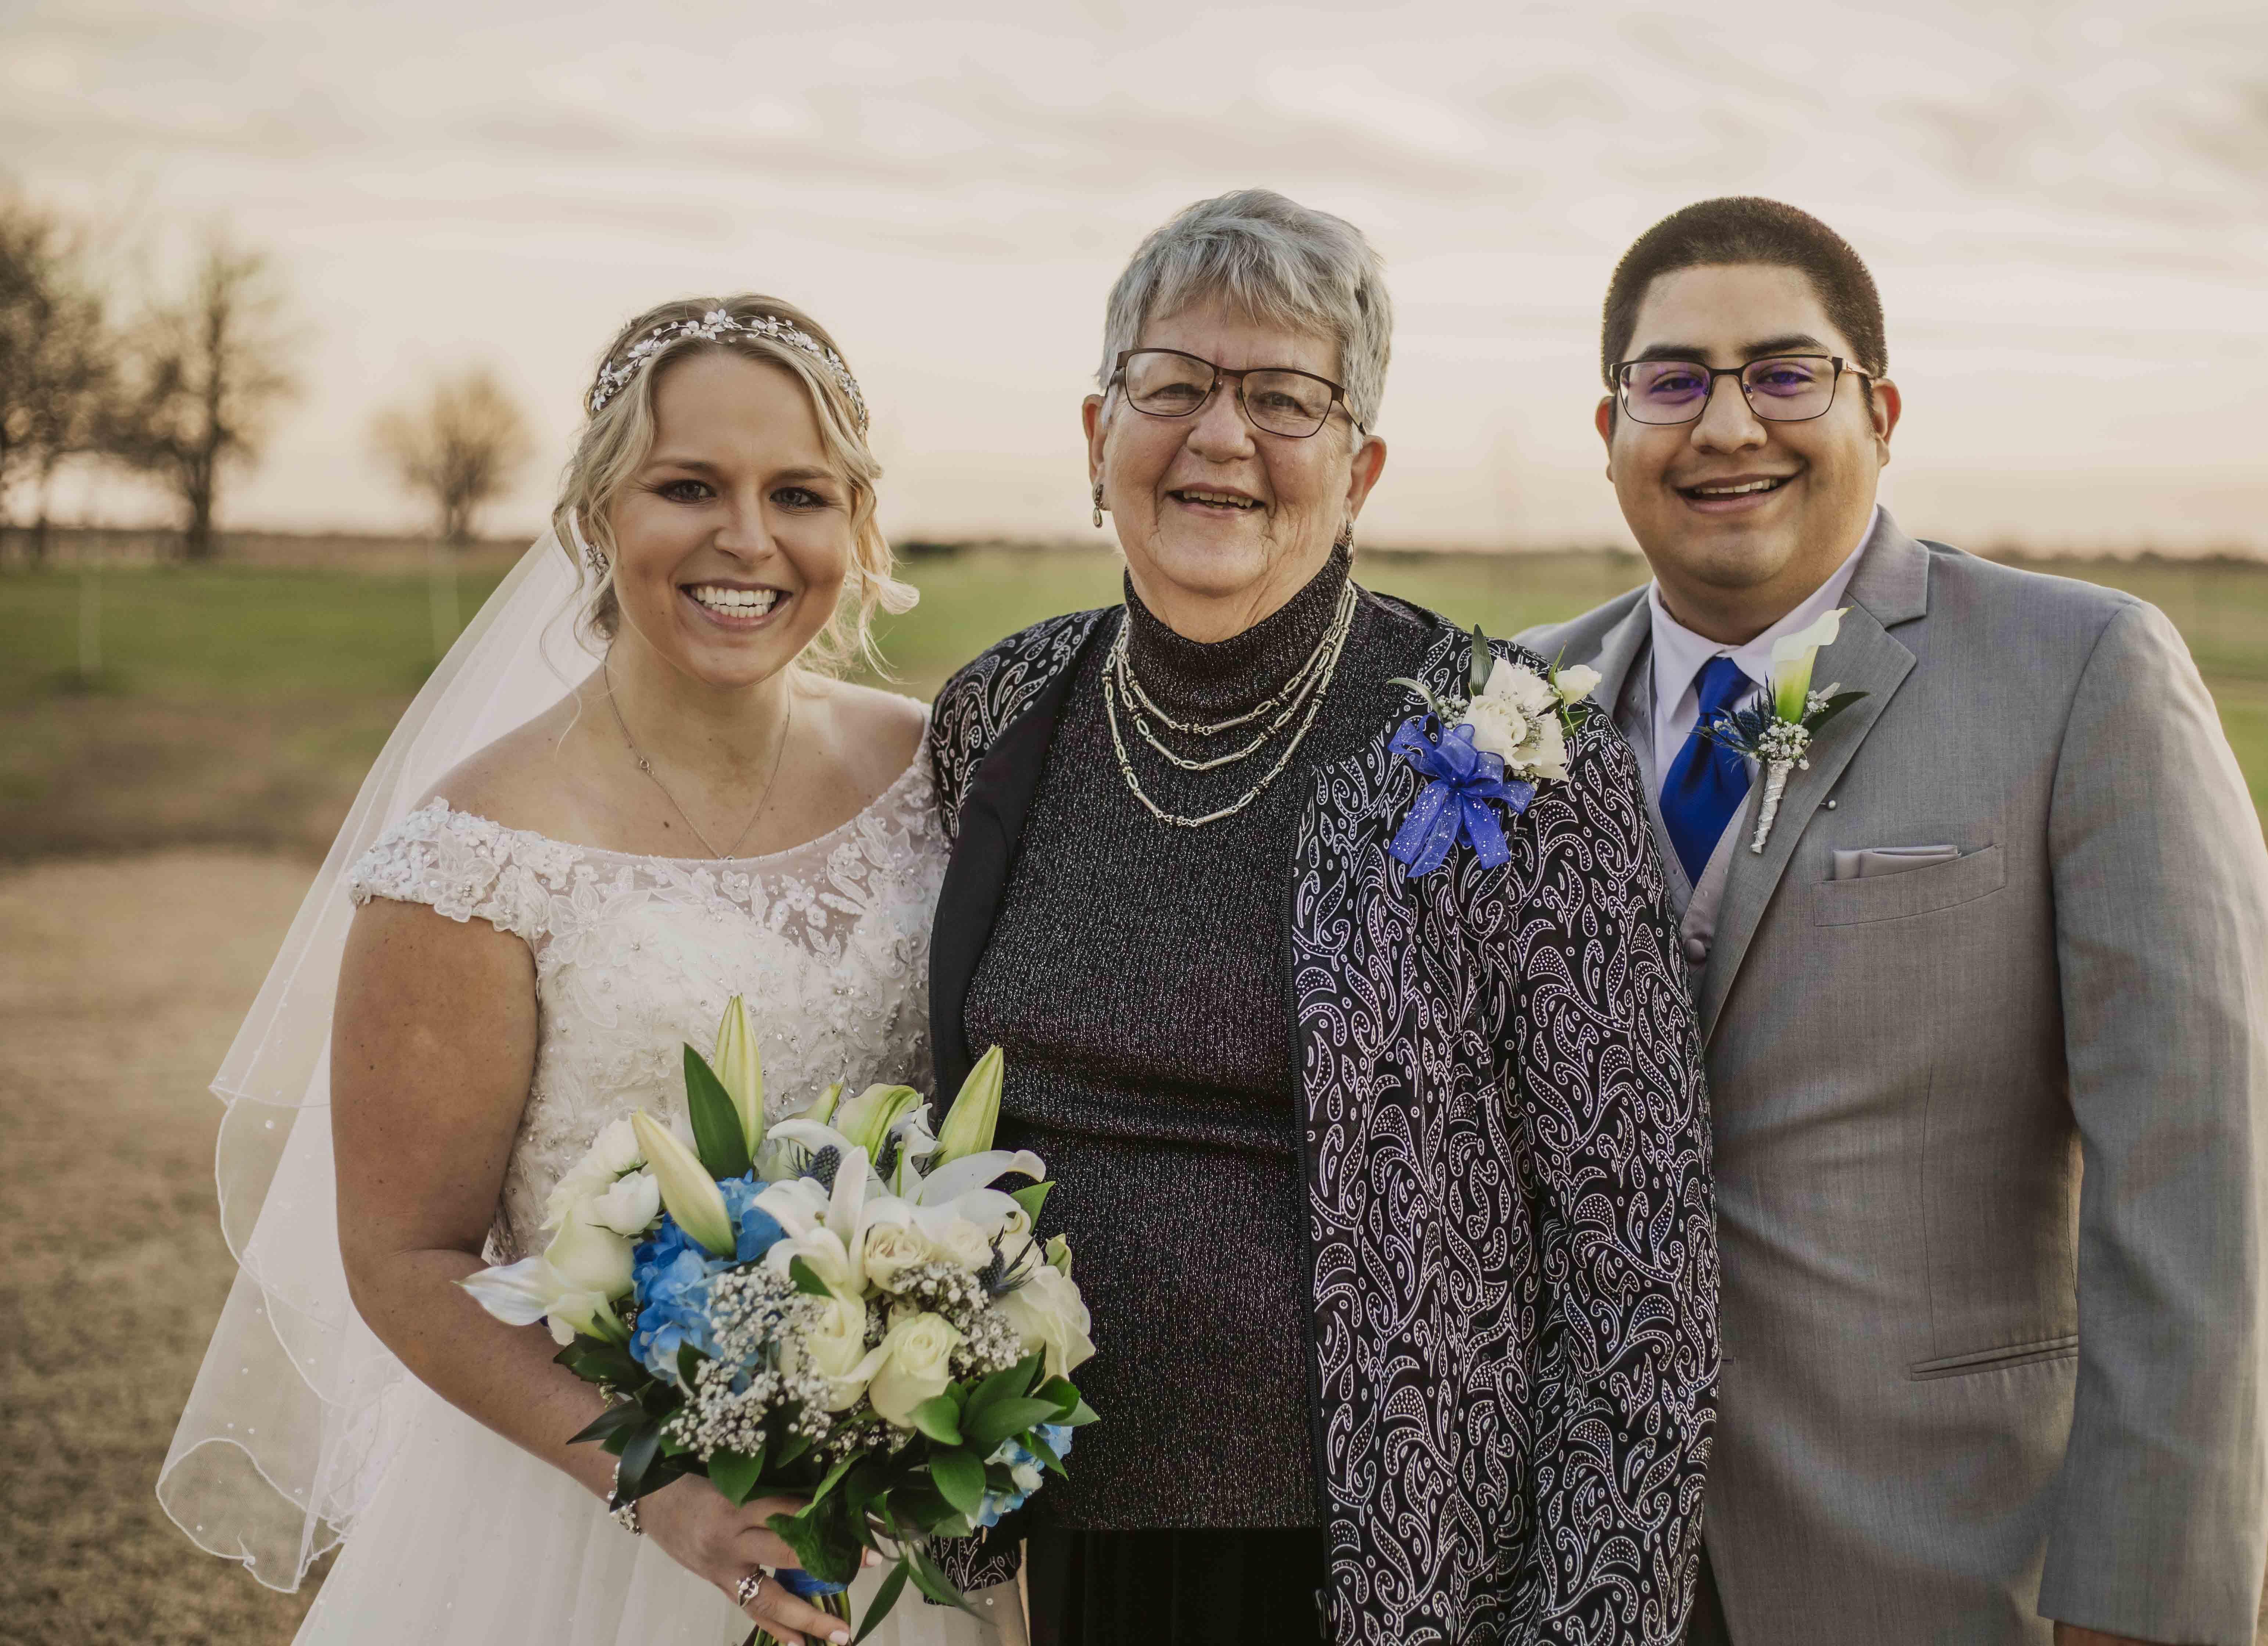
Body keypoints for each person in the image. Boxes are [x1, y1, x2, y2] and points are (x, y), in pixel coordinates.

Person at [158, 296, 1022, 1646]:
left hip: (905, 1514)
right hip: (586, 1524)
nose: (748, 538)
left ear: (856, 528)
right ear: (595, 514)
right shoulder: (474, 856)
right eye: (689, 487)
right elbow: (403, 1256)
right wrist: (659, 1486)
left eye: (798, 494)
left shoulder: (943, 774)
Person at [922, 188, 1719, 1646]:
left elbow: (1639, 1262)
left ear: (1361, 470)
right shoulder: (1001, 712)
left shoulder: (1513, 745)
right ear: (1098, 437)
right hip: (1065, 1544)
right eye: (1173, 385)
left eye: (1286, 399)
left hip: (1397, 1572)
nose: (1222, 438)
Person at [1518, 198, 2268, 1646]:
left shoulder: (2082, 673)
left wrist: (2145, 1600)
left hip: (1928, 1556)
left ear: (1879, 414)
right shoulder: (1501, 704)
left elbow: (2197, 1176)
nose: (1728, 424)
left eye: (1786, 373)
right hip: (1559, 1570)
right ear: (1612, 426)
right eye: (1673, 381)